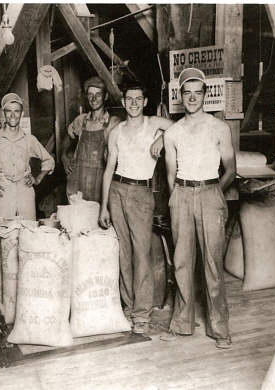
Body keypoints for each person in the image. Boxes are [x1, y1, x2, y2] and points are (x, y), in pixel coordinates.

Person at [162, 67, 236, 349]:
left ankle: (219, 328)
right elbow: (170, 174)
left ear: (205, 95)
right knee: (181, 262)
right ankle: (181, 323)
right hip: (181, 194)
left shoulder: (220, 128)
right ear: (180, 96)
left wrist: (214, 192)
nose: (192, 98)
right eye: (187, 93)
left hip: (210, 193)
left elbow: (230, 169)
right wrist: (176, 198)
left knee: (212, 264)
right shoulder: (173, 132)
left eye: (197, 93)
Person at [99, 82, 173, 334]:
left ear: (144, 102)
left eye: (137, 99)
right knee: (123, 252)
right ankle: (129, 307)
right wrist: (103, 207)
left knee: (142, 254)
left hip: (142, 192)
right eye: (128, 99)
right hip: (117, 191)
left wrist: (163, 138)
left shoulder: (153, 124)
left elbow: (179, 127)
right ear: (124, 102)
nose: (132, 103)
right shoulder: (117, 131)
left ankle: (142, 314)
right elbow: (108, 170)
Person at [61, 76, 121, 202]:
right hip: (78, 180)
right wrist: (64, 156)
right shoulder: (81, 120)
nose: (94, 99)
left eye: (98, 95)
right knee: (77, 219)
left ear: (105, 97)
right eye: (90, 95)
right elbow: (67, 136)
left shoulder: (112, 123)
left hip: (101, 181)